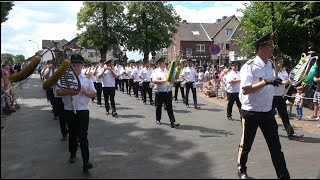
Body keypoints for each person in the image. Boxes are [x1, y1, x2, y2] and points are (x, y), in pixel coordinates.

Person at [237, 33, 290, 179]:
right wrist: (266, 81)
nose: (273, 49)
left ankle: (283, 176)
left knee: (276, 148)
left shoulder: (270, 65)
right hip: (251, 112)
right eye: (269, 46)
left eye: (272, 46)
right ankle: (241, 170)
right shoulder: (250, 66)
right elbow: (245, 89)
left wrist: (281, 84)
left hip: (267, 112)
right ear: (261, 48)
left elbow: (272, 86)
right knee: (246, 145)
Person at [55, 54, 96, 173]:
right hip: (69, 110)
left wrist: (86, 93)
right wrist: (69, 92)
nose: (76, 67)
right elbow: (58, 92)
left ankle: (86, 162)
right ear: (70, 66)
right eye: (73, 65)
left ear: (82, 66)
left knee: (83, 136)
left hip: (83, 110)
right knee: (72, 135)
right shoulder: (64, 77)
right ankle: (72, 153)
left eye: (78, 65)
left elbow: (94, 94)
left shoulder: (87, 78)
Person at [272, 57, 304, 139]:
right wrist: (282, 82)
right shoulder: (272, 71)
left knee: (285, 116)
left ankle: (290, 133)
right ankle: (272, 132)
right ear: (275, 62)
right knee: (270, 115)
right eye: (279, 62)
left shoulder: (284, 71)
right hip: (273, 96)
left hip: (282, 95)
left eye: (282, 61)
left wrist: (290, 82)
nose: (281, 63)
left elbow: (288, 80)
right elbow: (272, 80)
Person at [152, 57, 180, 128]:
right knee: (159, 106)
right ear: (159, 64)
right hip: (159, 92)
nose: (165, 63)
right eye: (163, 62)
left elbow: (171, 79)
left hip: (168, 91)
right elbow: (155, 81)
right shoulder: (155, 71)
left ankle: (172, 121)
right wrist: (165, 80)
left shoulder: (167, 71)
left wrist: (174, 78)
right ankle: (158, 119)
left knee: (169, 107)